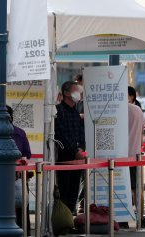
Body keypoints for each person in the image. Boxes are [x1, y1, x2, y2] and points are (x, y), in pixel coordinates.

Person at [55, 81, 85, 213]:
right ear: (66, 93)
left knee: (74, 190)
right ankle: (63, 220)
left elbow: (80, 132)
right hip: (64, 157)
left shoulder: (75, 111)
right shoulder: (59, 111)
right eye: (75, 90)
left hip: (77, 157)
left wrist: (80, 149)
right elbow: (61, 134)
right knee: (64, 190)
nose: (78, 93)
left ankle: (70, 218)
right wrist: (74, 150)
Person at [7, 106, 32, 232]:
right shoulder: (20, 132)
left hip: (2, 177)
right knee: (22, 206)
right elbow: (27, 154)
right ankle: (24, 231)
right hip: (20, 175)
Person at [127, 102, 145, 228]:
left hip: (117, 156)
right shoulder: (137, 109)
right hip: (135, 154)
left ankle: (121, 219)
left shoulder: (115, 109)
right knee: (136, 188)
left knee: (117, 186)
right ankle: (140, 218)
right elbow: (142, 131)